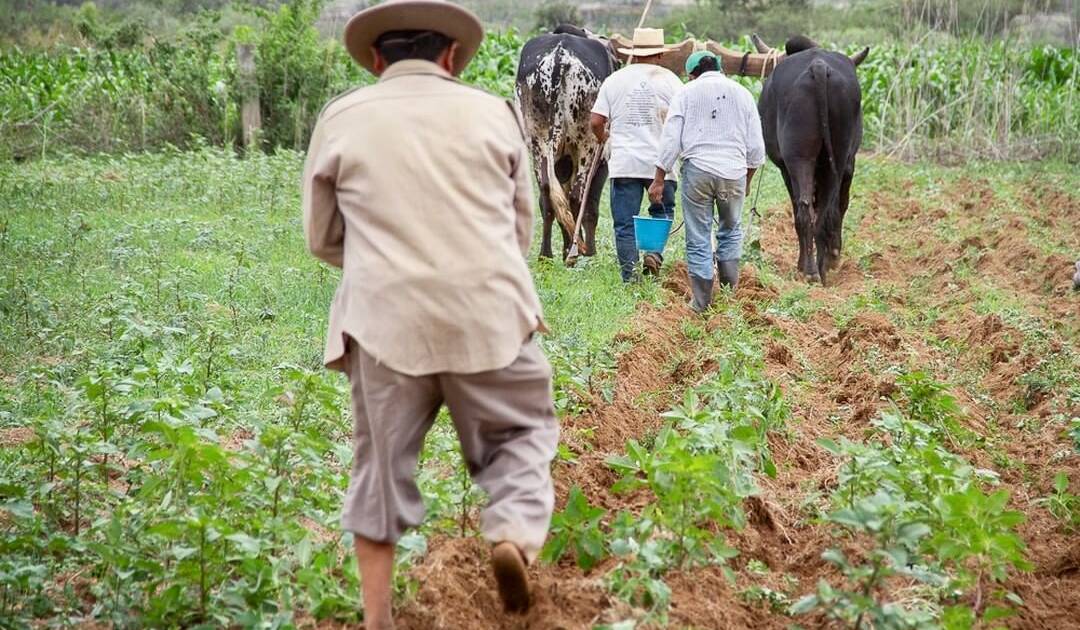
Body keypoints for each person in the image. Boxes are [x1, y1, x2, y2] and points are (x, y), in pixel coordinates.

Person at [302, 1, 558, 626]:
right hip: (490, 315)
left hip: (384, 324)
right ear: (450, 58)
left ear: (373, 59)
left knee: (379, 472)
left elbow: (322, 237)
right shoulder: (493, 115)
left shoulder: (342, 119)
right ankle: (512, 534)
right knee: (521, 435)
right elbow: (519, 231)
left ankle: (378, 619)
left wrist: (383, 262)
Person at [650, 51, 765, 311]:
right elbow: (756, 148)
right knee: (731, 229)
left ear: (692, 74)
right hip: (733, 172)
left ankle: (701, 302)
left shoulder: (686, 93)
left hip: (698, 171)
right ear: (720, 68)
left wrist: (659, 178)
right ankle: (728, 292)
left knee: (699, 234)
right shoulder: (742, 94)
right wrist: (746, 181)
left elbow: (671, 139)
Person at [589, 28, 684, 282]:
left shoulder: (615, 80)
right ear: (661, 54)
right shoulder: (672, 81)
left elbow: (596, 121)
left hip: (625, 163)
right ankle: (653, 253)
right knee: (662, 212)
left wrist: (605, 138)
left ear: (634, 53)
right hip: (661, 166)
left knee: (624, 223)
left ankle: (630, 278)